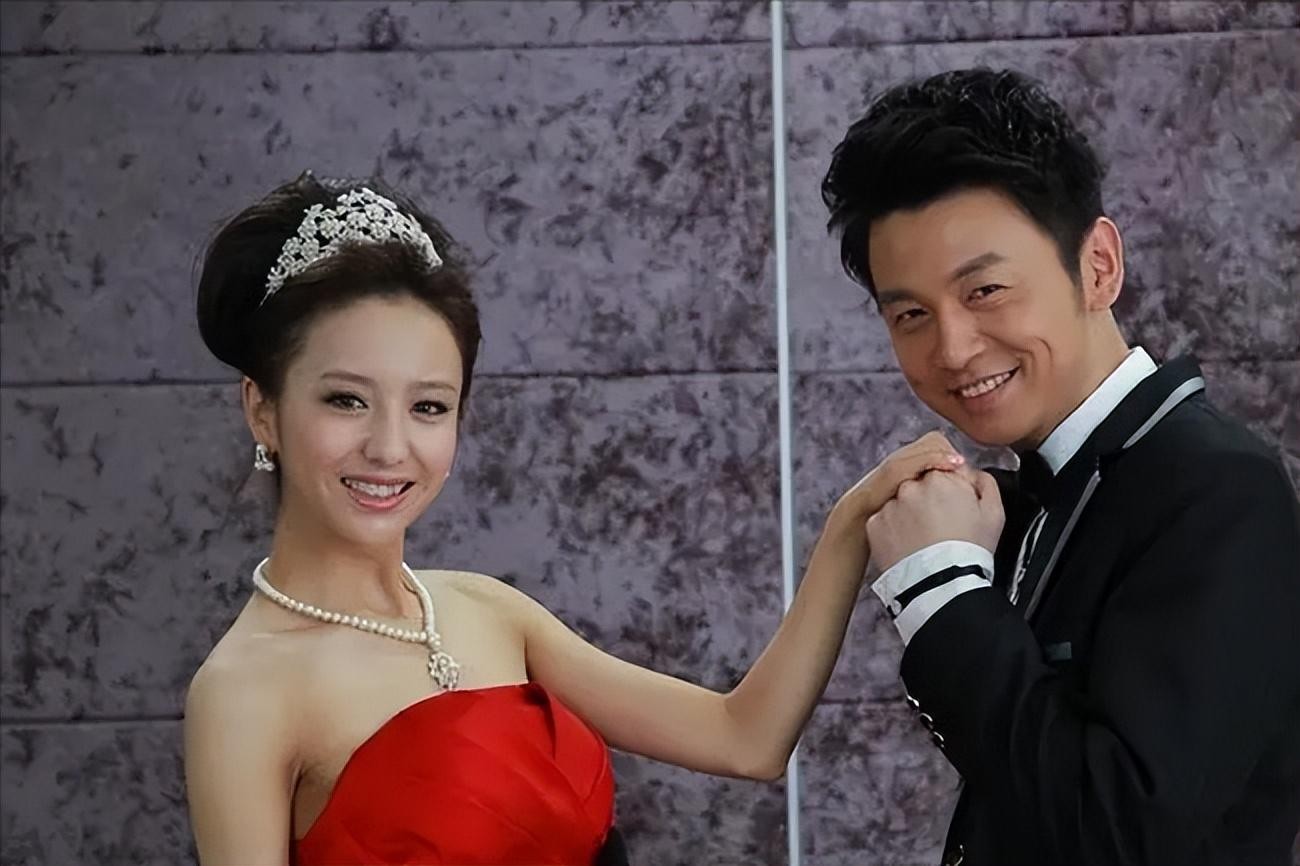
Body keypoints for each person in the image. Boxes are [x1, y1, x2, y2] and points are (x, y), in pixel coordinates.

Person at [182, 172, 965, 866]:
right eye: (346, 400)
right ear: (263, 409)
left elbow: (745, 738)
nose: (390, 448)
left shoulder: (485, 610)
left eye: (429, 407)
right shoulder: (245, 690)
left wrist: (850, 522)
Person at [821, 67, 1300, 866]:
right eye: (910, 314)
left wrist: (941, 593)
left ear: (1099, 265)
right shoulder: (1031, 498)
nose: (952, 348)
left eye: (986, 290)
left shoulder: (1219, 492)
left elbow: (1119, 832)